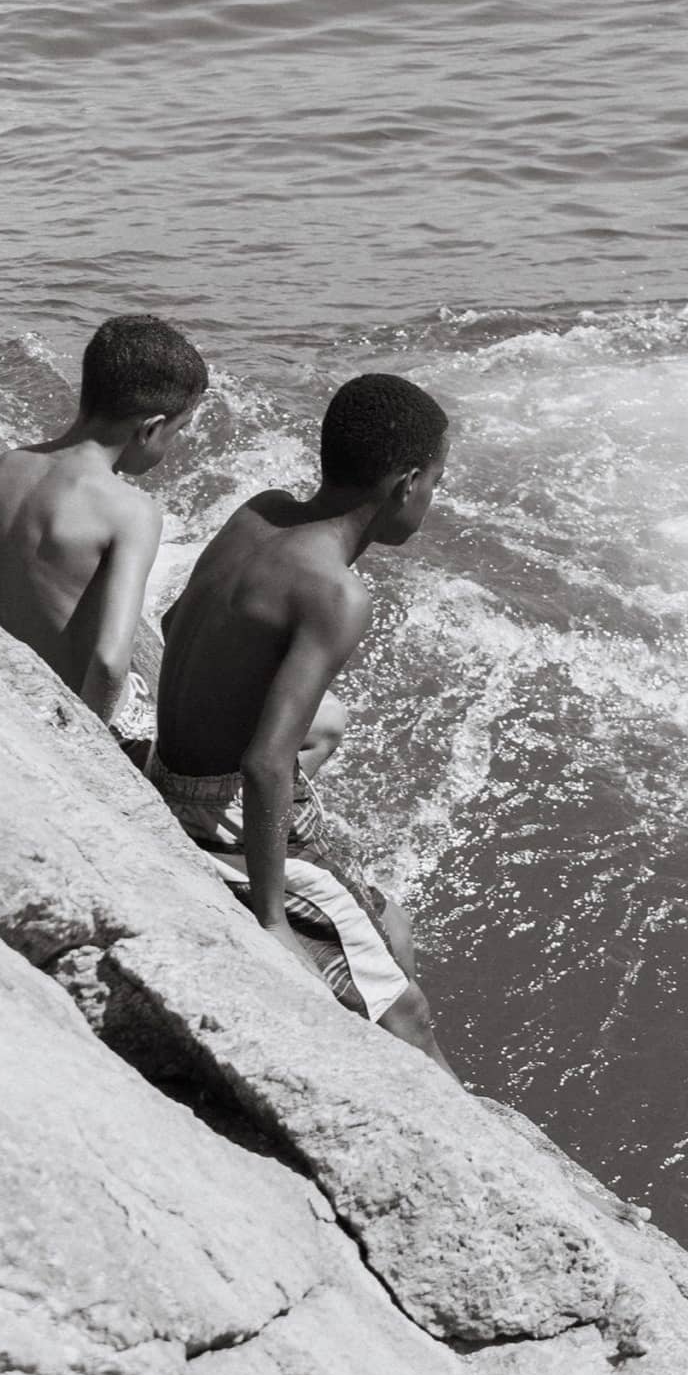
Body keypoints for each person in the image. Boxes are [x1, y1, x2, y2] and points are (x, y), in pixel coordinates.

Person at [150, 372, 457, 1077]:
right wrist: (271, 921)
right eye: (436, 482)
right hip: (222, 813)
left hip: (170, 769)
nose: (432, 499)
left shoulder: (259, 512)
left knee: (395, 927)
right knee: (408, 1010)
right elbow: (264, 761)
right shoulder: (336, 593)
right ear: (406, 483)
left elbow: (172, 623)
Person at [0, 314, 205, 736]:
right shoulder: (131, 511)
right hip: (74, 713)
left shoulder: (6, 466)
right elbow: (111, 662)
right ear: (150, 428)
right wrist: (90, 746)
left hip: (7, 685)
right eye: (178, 431)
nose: (175, 443)